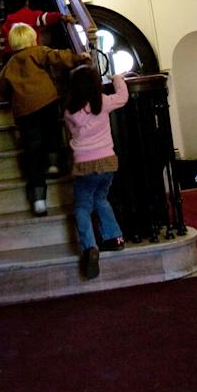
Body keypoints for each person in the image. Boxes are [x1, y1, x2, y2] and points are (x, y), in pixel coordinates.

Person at [0, 23, 89, 216]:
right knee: (52, 131)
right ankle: (54, 162)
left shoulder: (9, 65)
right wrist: (78, 57)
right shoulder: (38, 52)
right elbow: (58, 57)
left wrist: (11, 99)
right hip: (46, 101)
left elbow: (3, 88)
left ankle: (39, 199)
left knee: (32, 150)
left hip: (24, 111)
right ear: (32, 39)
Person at [64, 66, 129, 280]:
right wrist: (117, 78)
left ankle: (90, 248)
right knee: (101, 199)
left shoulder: (69, 111)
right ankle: (114, 237)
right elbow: (123, 97)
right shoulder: (102, 102)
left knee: (82, 206)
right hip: (107, 161)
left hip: (85, 163)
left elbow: (71, 134)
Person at [0, 0, 69, 54]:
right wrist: (61, 16)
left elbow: (3, 43)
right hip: (32, 52)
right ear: (27, 2)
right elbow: (47, 17)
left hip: (15, 55)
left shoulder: (7, 22)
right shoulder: (32, 16)